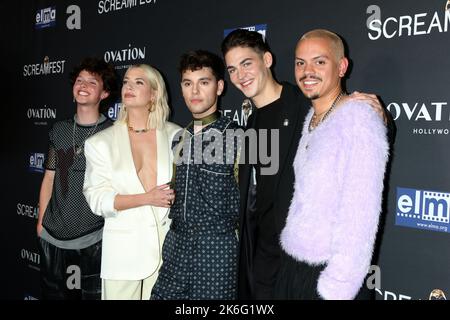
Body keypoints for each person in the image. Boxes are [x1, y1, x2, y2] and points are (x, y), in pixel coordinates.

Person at [221, 28, 388, 299]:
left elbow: (360, 198)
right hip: (270, 261)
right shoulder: (252, 122)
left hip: (311, 268)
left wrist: (381, 118)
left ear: (267, 60)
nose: (241, 75)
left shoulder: (304, 103)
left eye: (246, 64)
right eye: (232, 69)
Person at [278, 29, 389, 300]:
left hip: (330, 277)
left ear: (342, 67)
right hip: (295, 266)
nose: (307, 71)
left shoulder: (358, 120)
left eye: (319, 61)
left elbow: (361, 214)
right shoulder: (313, 118)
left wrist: (338, 286)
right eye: (300, 62)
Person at [83, 64, 181, 300]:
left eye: (139, 82)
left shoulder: (176, 136)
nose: (129, 86)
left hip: (168, 253)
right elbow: (97, 200)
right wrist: (146, 198)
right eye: (126, 81)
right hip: (122, 255)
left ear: (154, 93)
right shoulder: (100, 143)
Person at [151, 50, 241, 300]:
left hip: (216, 252)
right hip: (176, 246)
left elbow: (250, 206)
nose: (195, 91)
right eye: (188, 83)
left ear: (220, 87)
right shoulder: (179, 138)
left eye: (204, 82)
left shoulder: (236, 137)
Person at [36, 57, 118, 300]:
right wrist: (41, 223)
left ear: (104, 93)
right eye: (79, 80)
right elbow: (49, 177)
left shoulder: (113, 133)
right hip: (52, 238)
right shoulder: (59, 130)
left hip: (92, 241)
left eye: (92, 82)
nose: (83, 85)